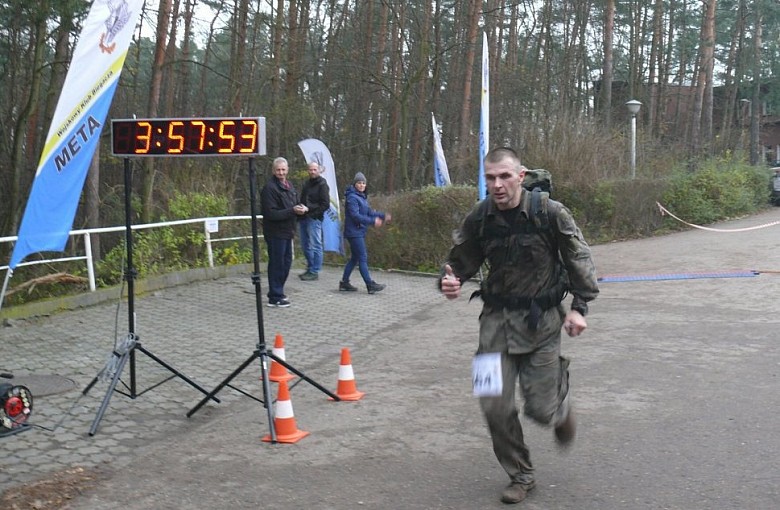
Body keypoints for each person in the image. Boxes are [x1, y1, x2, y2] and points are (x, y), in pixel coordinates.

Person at [439, 147, 599, 505]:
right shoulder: (480, 217)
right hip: (493, 325)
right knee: (492, 405)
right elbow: (458, 263)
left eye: (504, 176)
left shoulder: (549, 212)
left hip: (541, 324)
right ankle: (521, 475)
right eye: (490, 178)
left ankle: (560, 407)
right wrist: (449, 281)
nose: (497, 185)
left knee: (540, 409)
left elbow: (579, 259)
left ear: (520, 176)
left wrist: (580, 308)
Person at [261, 157, 307, 307]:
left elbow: (295, 203)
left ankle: (279, 291)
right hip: (275, 232)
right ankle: (275, 296)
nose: (281, 172)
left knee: (286, 263)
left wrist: (302, 208)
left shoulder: (289, 186)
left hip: (288, 231)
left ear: (287, 170)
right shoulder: (269, 189)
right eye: (278, 170)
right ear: (274, 171)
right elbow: (271, 213)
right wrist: (292, 211)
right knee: (277, 264)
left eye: (283, 170)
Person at [339, 172, 390, 294]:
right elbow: (355, 216)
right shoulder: (352, 198)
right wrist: (373, 222)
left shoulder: (361, 197)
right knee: (362, 257)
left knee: (355, 258)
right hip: (354, 232)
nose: (361, 185)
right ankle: (369, 284)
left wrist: (382, 216)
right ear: (355, 184)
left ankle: (344, 283)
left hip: (358, 231)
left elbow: (368, 212)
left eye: (363, 183)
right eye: (359, 183)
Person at [298, 161, 331, 281]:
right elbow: (303, 199)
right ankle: (310, 267)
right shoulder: (306, 183)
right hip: (303, 217)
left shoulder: (323, 184)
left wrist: (310, 210)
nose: (312, 172)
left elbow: (325, 205)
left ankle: (315, 271)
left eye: (314, 169)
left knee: (316, 245)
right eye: (310, 169)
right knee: (305, 245)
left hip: (314, 218)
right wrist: (299, 208)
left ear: (319, 170)